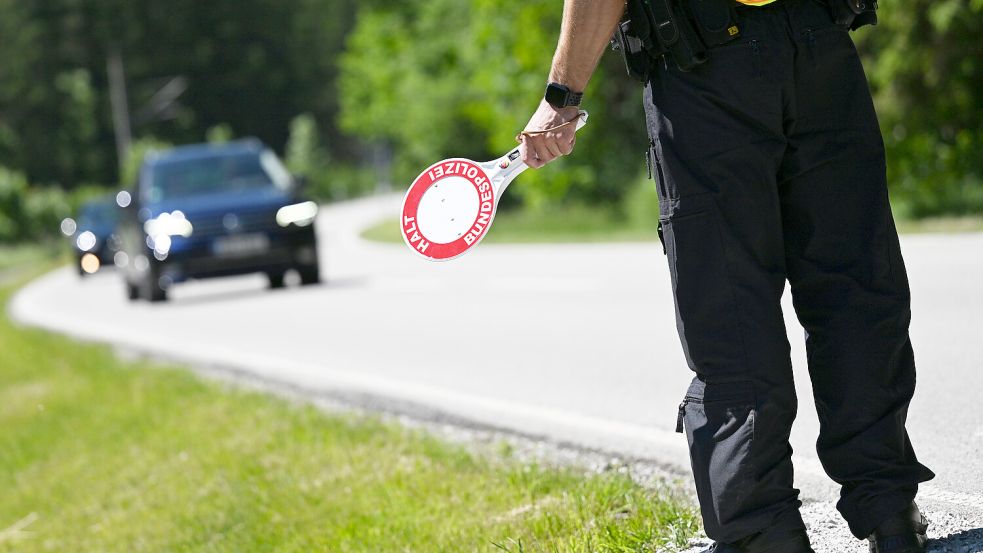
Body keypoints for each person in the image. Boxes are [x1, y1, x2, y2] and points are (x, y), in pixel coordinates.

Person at [517, 0, 936, 551]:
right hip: (818, 48)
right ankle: (889, 511)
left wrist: (562, 98)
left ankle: (765, 534)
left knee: (730, 307)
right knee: (854, 285)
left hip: (704, 71)